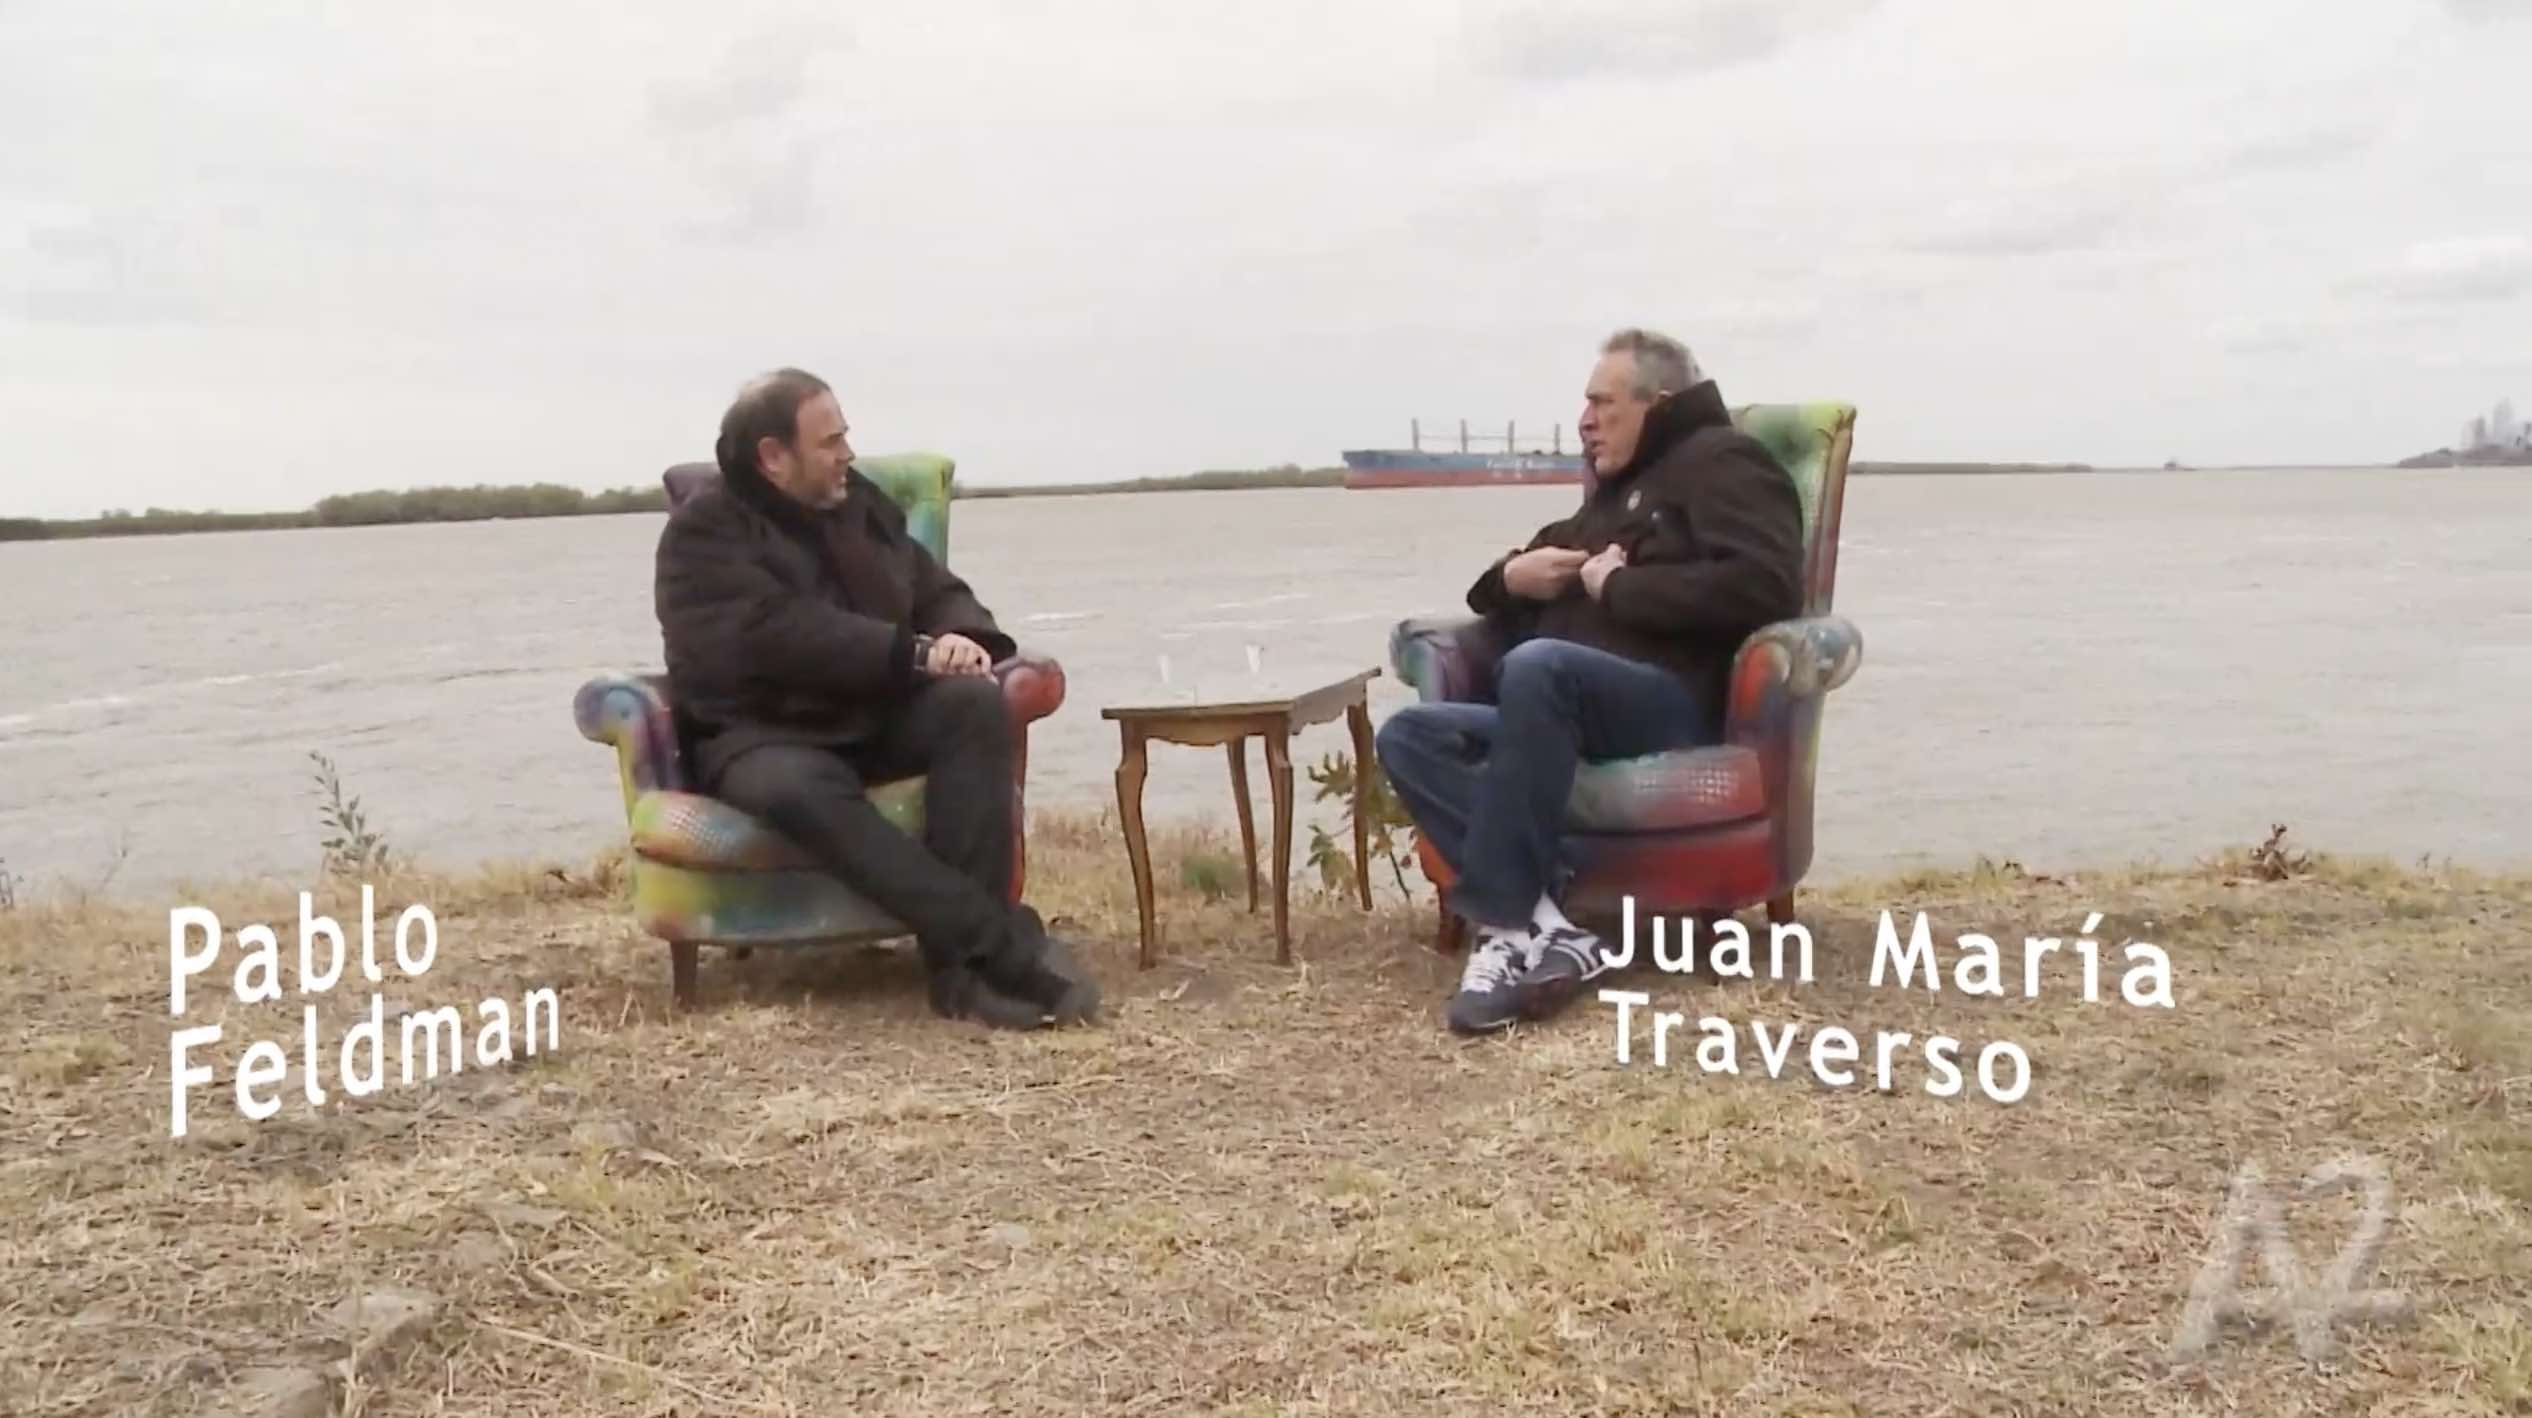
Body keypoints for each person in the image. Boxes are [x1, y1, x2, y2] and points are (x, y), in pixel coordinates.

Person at [1374, 329, 1806, 1035]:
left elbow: (1768, 587)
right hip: (1559, 707)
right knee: (1410, 735)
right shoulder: (1610, 495)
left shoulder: (1724, 461)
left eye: (1602, 403)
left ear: (1657, 403)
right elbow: (1499, 586)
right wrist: (1512, 577)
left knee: (1539, 664)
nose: (1584, 421)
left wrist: (1620, 588)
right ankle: (1550, 924)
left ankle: (1503, 926)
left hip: (1668, 703)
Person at [653, 367, 1102, 1029]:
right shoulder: (704, 534)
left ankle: (958, 977)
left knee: (973, 706)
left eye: (845, 436)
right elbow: (779, 634)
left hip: (871, 711)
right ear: (773, 456)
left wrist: (959, 636)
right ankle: (1001, 942)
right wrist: (914, 654)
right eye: (830, 442)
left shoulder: (857, 504)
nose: (848, 454)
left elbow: (933, 585)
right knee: (796, 787)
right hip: (763, 732)